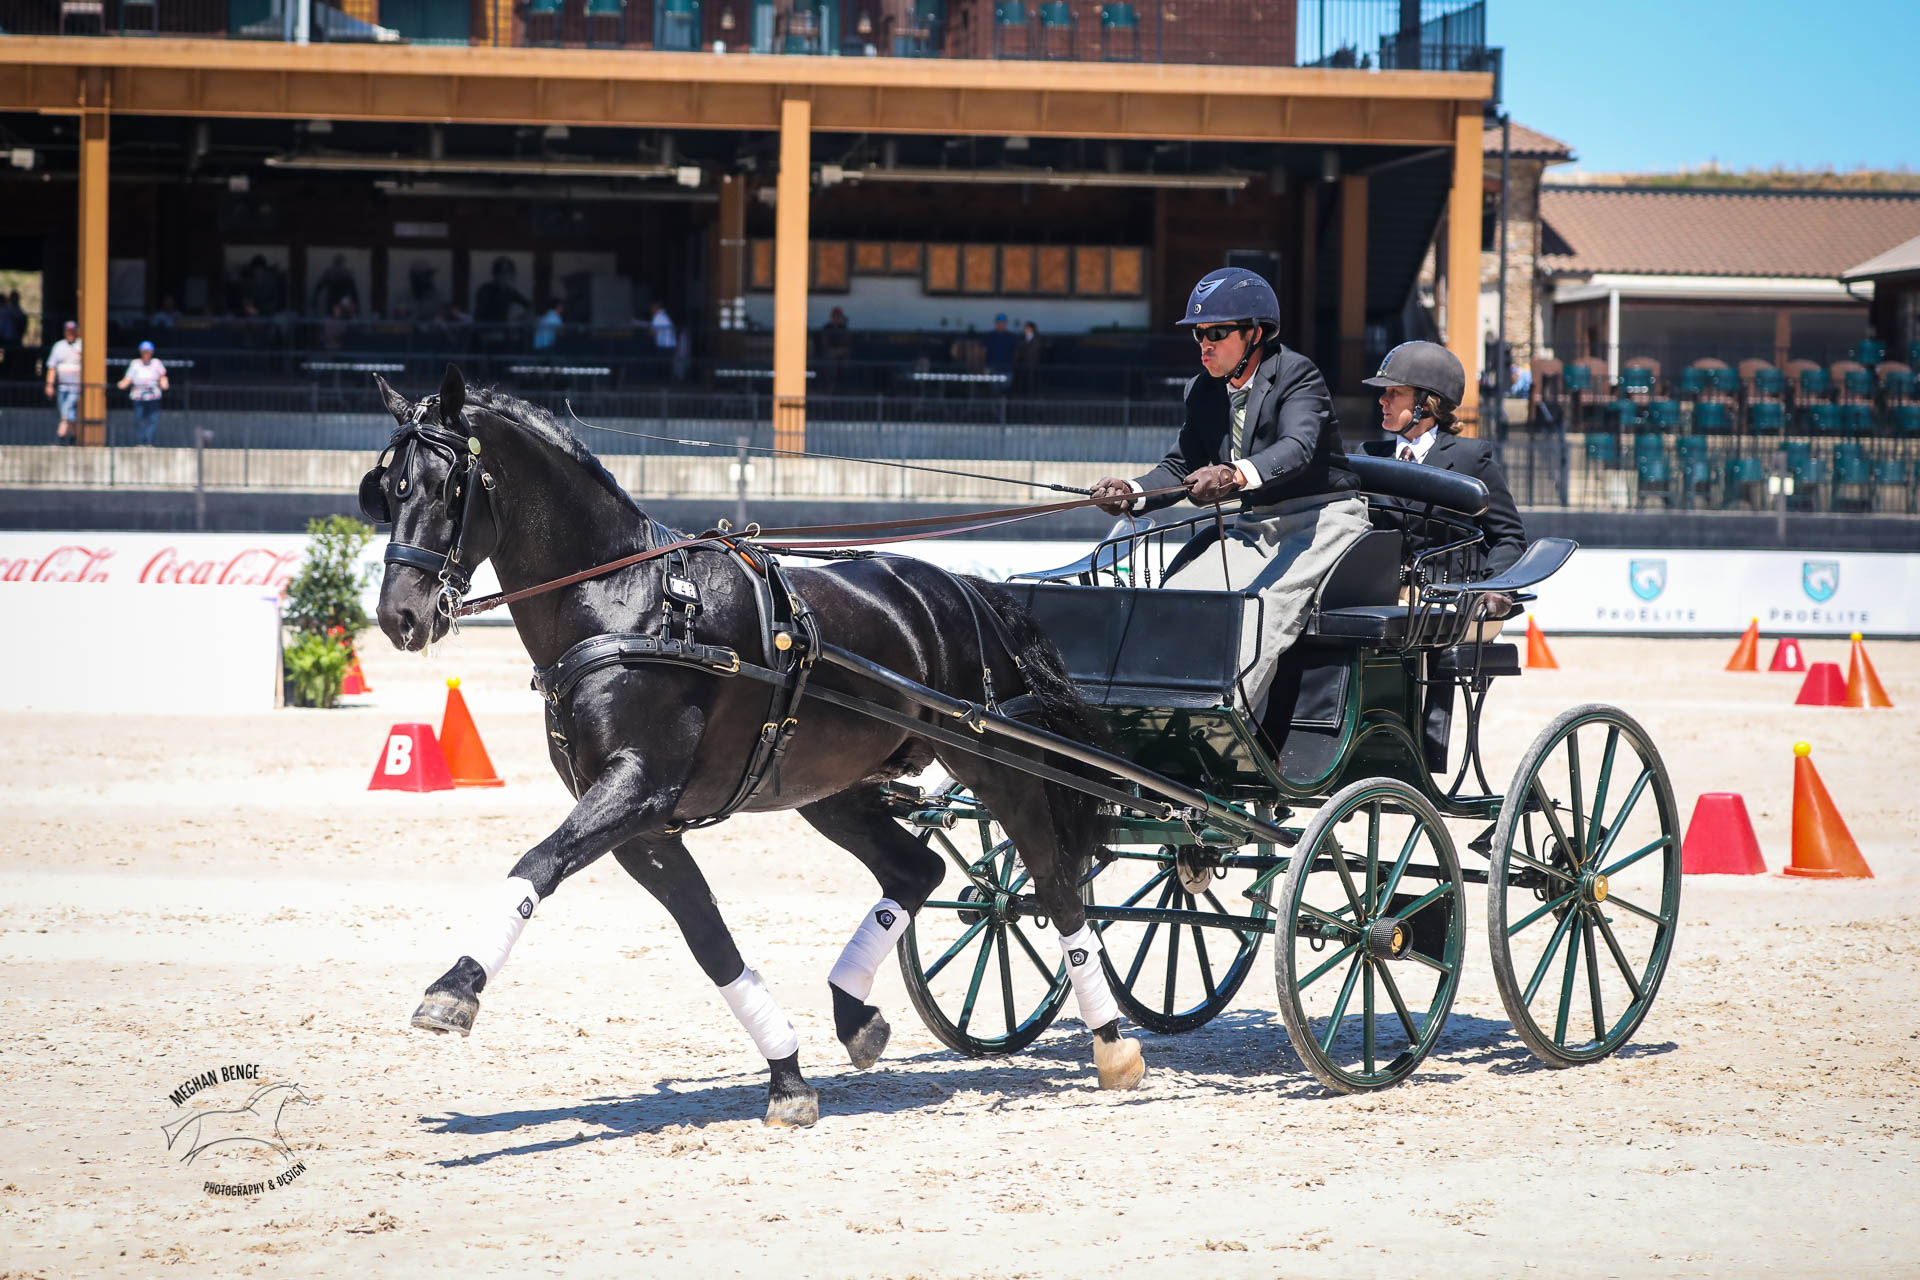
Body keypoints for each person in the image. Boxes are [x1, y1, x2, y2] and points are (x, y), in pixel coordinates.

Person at [1089, 267, 1368, 717]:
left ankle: (1222, 723)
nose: (1205, 344)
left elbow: (1296, 449)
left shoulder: (1298, 374)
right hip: (1256, 526)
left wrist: (1233, 475)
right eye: (1199, 334)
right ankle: (1149, 714)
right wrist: (1132, 492)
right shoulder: (1202, 390)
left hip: (1322, 522)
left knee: (1259, 611)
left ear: (1255, 333)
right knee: (1174, 599)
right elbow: (1179, 465)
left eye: (1217, 332)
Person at [1358, 340, 1527, 772]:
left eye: (1393, 392)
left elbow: (1508, 536)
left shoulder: (1472, 459)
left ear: (1426, 403)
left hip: (1446, 601)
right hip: (1383, 595)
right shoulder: (1367, 457)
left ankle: (1422, 757)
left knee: (1428, 637)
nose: (1382, 399)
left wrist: (1493, 588)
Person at [116, 340, 170, 446]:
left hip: (153, 396)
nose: (146, 353)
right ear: (141, 352)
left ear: (151, 352)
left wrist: (164, 383)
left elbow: (163, 376)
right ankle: (141, 441)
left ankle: (149, 441)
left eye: (148, 351)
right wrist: (121, 384)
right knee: (139, 419)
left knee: (152, 420)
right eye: (144, 351)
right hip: (138, 396)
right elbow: (128, 378)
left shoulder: (156, 363)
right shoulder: (135, 363)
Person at [44, 320, 83, 445]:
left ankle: (60, 436)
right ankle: (73, 437)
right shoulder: (59, 346)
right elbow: (52, 367)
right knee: (66, 412)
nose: (70, 333)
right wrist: (49, 384)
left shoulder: (81, 346)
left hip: (76, 386)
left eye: (72, 330)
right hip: (62, 387)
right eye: (68, 330)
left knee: (67, 410)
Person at [981, 313, 1019, 386]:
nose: (1001, 324)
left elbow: (1015, 352)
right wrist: (984, 366)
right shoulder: (990, 336)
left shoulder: (1011, 337)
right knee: (993, 388)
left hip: (1007, 368)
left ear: (1005, 324)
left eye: (1003, 323)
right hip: (992, 368)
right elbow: (983, 351)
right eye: (999, 323)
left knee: (1006, 387)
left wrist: (1013, 365)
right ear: (996, 323)